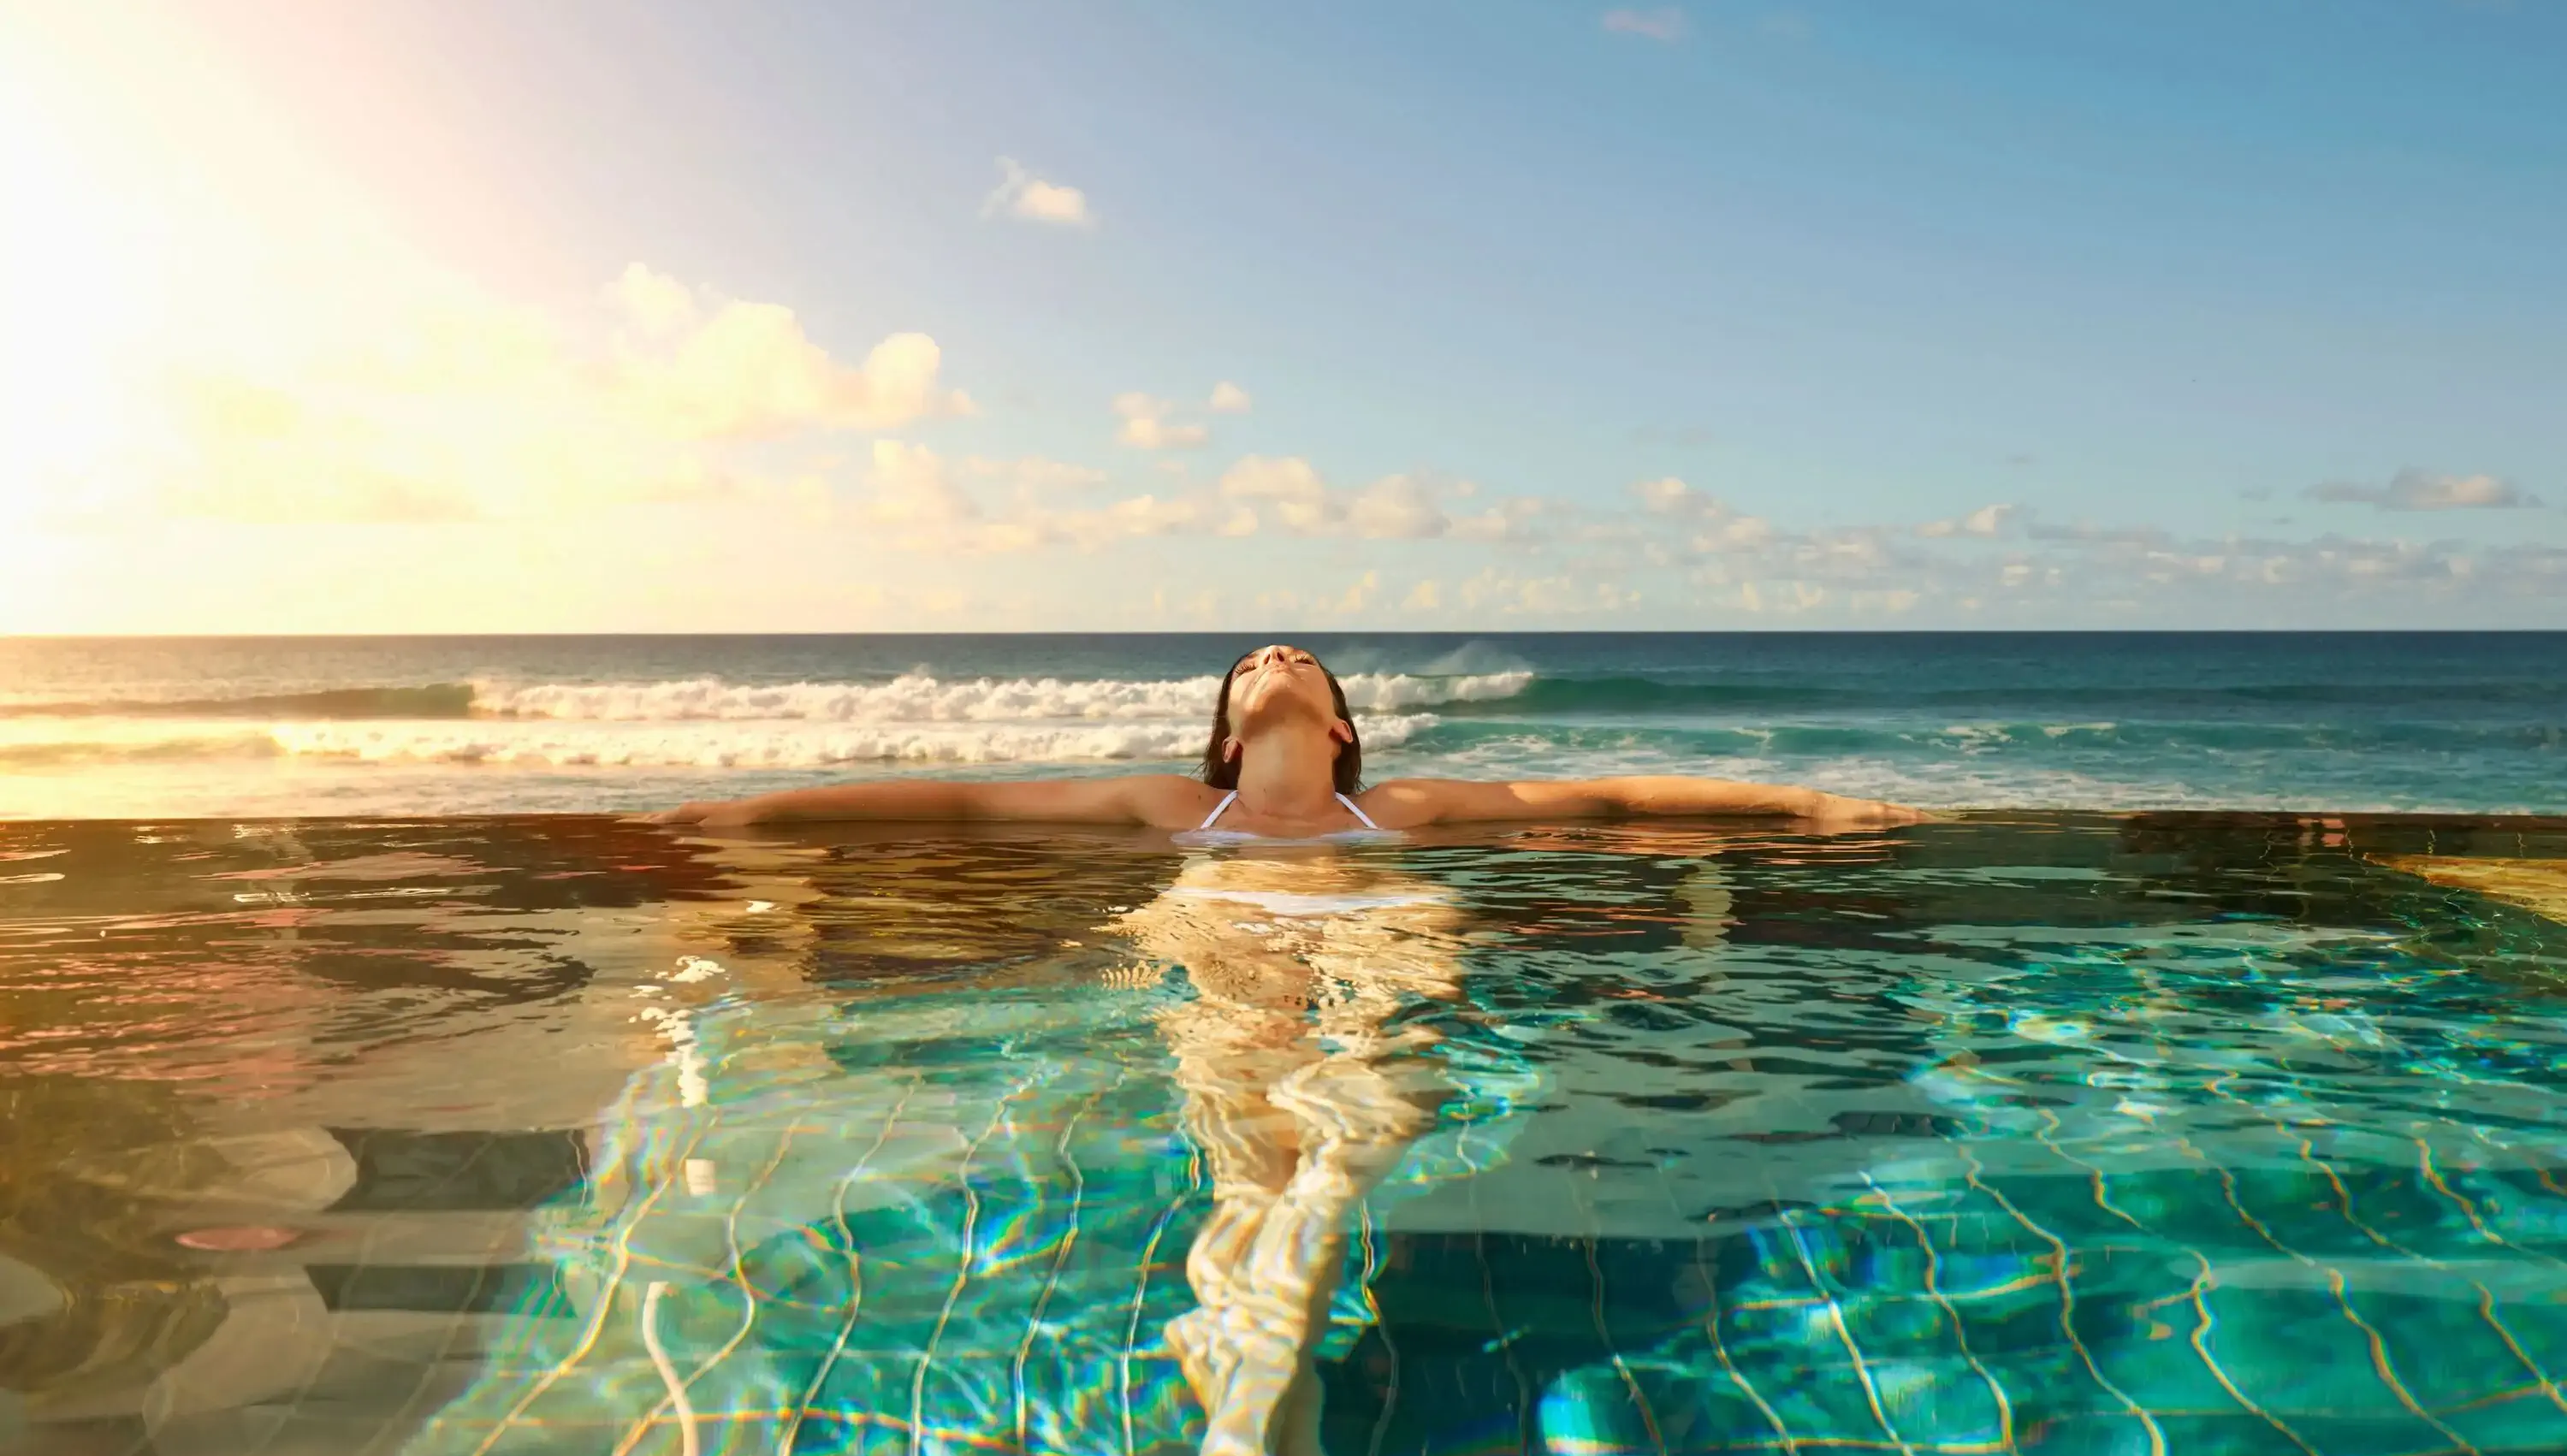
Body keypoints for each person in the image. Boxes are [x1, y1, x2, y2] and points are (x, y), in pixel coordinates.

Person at [661, 643, 1923, 836]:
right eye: (1248, 661)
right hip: (1229, 950)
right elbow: (966, 804)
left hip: (1375, 950)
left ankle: (1276, 1338)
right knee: (1250, 1161)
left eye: (1296, 654)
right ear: (1225, 730)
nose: (1269, 656)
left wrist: (1804, 805)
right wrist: (760, 810)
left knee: (1340, 1141)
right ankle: (1255, 1358)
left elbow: (1596, 792)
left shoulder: (1405, 809)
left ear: (1338, 724)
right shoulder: (1169, 808)